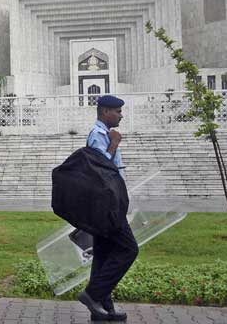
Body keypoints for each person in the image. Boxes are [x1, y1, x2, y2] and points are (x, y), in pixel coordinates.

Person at [77, 95, 138, 322]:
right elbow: (98, 169)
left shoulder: (103, 133)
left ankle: (102, 308)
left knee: (103, 254)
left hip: (109, 203)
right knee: (129, 249)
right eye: (117, 111)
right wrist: (113, 143)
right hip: (107, 206)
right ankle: (93, 294)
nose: (121, 115)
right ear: (104, 112)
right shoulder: (98, 134)